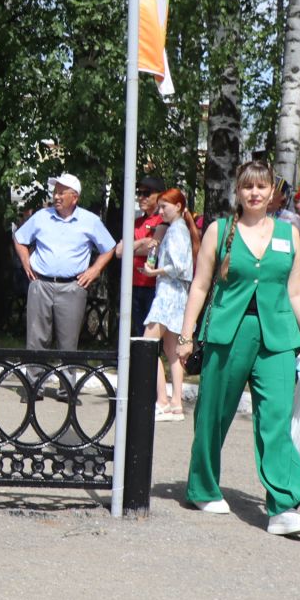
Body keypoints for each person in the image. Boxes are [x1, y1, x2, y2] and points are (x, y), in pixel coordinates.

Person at [176, 159, 300, 535]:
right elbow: (200, 286)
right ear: (237, 192)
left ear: (272, 191)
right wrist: (186, 334)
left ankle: (283, 505)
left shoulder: (289, 234)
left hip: (278, 338)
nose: (255, 193)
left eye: (262, 187)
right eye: (247, 187)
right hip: (228, 334)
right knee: (213, 413)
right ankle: (202, 487)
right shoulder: (219, 230)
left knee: (275, 419)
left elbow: (294, 292)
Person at [12, 173, 117, 353]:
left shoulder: (90, 221)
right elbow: (20, 238)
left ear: (74, 197)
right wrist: (26, 262)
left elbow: (109, 247)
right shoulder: (41, 216)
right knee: (36, 342)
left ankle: (67, 382)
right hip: (41, 284)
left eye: (61, 193)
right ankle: (34, 381)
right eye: (55, 192)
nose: (56, 197)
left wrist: (95, 270)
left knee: (68, 345)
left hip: (72, 287)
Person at [141, 188, 194, 419]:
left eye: (164, 206)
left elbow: (179, 267)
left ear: (179, 207)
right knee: (172, 351)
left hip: (168, 295)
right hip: (175, 294)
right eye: (159, 206)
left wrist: (154, 272)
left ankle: (162, 400)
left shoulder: (176, 231)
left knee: (147, 345)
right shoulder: (177, 229)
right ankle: (175, 403)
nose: (160, 211)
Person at [128, 175, 166, 337]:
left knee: (151, 336)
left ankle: (151, 363)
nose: (141, 197)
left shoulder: (162, 220)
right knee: (138, 332)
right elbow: (120, 251)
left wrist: (134, 246)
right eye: (139, 193)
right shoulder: (135, 222)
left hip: (154, 285)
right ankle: (140, 363)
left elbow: (157, 247)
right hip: (134, 284)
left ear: (159, 195)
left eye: (146, 193)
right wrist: (144, 242)